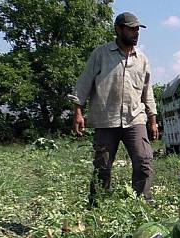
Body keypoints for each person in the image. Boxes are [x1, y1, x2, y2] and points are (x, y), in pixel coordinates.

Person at [69, 12, 157, 206]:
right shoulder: (100, 54)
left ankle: (143, 204)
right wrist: (78, 112)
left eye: (137, 29)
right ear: (118, 29)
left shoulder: (141, 59)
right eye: (131, 29)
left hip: (135, 119)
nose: (135, 33)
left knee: (144, 160)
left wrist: (152, 120)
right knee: (102, 166)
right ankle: (97, 206)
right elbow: (84, 83)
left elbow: (147, 91)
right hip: (106, 119)